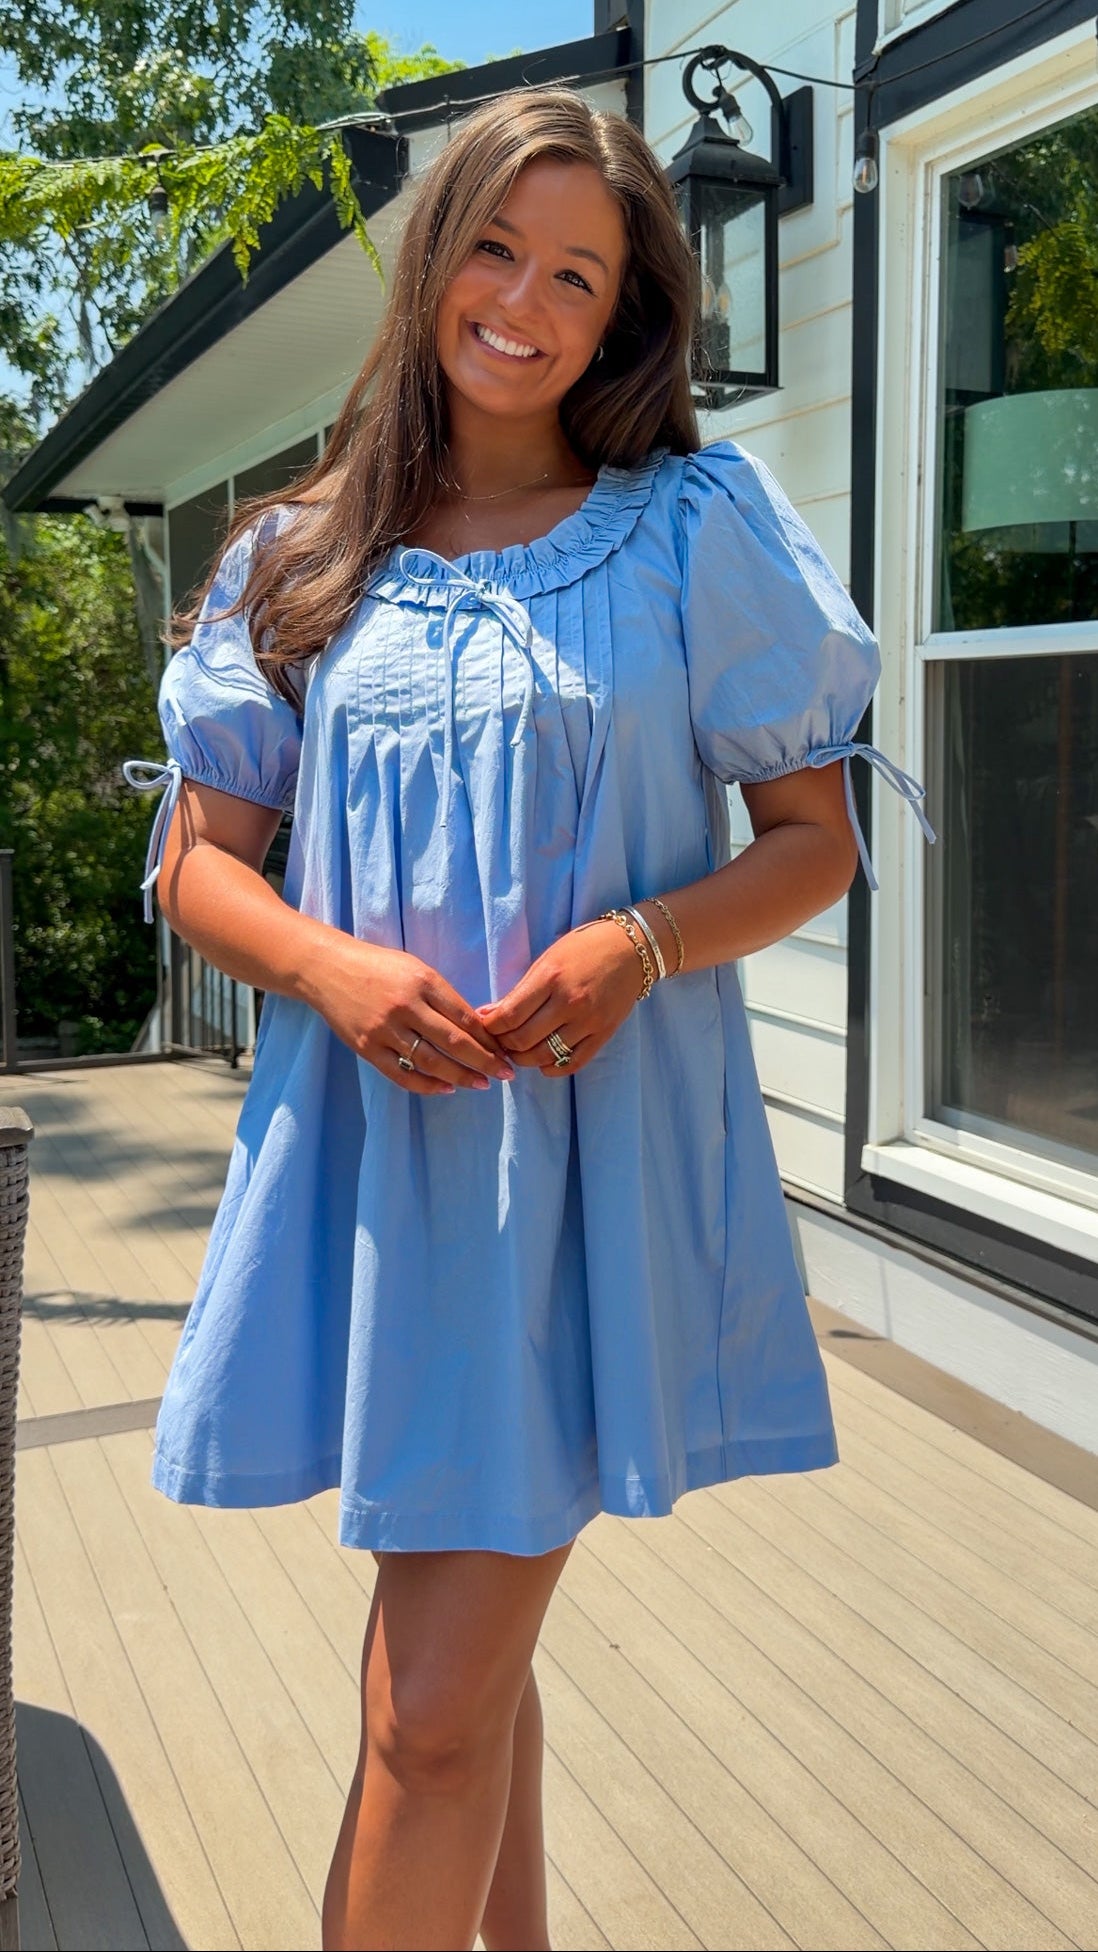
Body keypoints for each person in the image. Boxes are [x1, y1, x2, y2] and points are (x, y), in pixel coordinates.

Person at [125, 87, 933, 1952]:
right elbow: (197, 866)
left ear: (623, 307)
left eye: (579, 271)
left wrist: (635, 945)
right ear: (430, 269)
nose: (528, 300)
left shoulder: (691, 531)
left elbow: (810, 845)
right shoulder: (296, 559)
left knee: (423, 1712)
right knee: (460, 1687)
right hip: (377, 1181)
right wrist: (327, 968)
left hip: (582, 1190)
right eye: (495, 247)